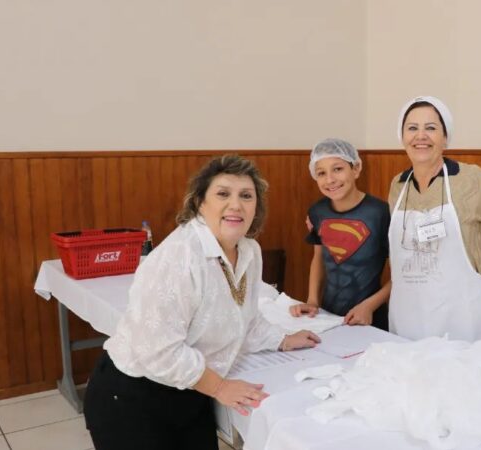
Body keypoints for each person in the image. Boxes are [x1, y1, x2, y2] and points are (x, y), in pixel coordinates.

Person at [83, 155, 321, 450]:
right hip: (133, 397)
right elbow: (158, 350)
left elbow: (244, 317)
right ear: (199, 203)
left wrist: (283, 339)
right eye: (223, 194)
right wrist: (219, 387)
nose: (236, 204)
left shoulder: (249, 251)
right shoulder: (179, 255)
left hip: (190, 394)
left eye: (246, 196)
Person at [388, 96, 481, 341]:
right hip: (408, 318)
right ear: (402, 138)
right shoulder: (398, 186)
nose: (421, 136)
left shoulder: (473, 180)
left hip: (463, 321)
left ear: (445, 137)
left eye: (431, 128)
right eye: (412, 128)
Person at [289, 138, 391, 330]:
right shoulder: (317, 212)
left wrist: (369, 306)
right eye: (321, 173)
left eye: (338, 169)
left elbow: (400, 274)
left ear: (356, 168)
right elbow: (318, 258)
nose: (330, 180)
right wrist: (312, 301)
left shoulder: (380, 212)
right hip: (329, 318)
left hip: (371, 318)